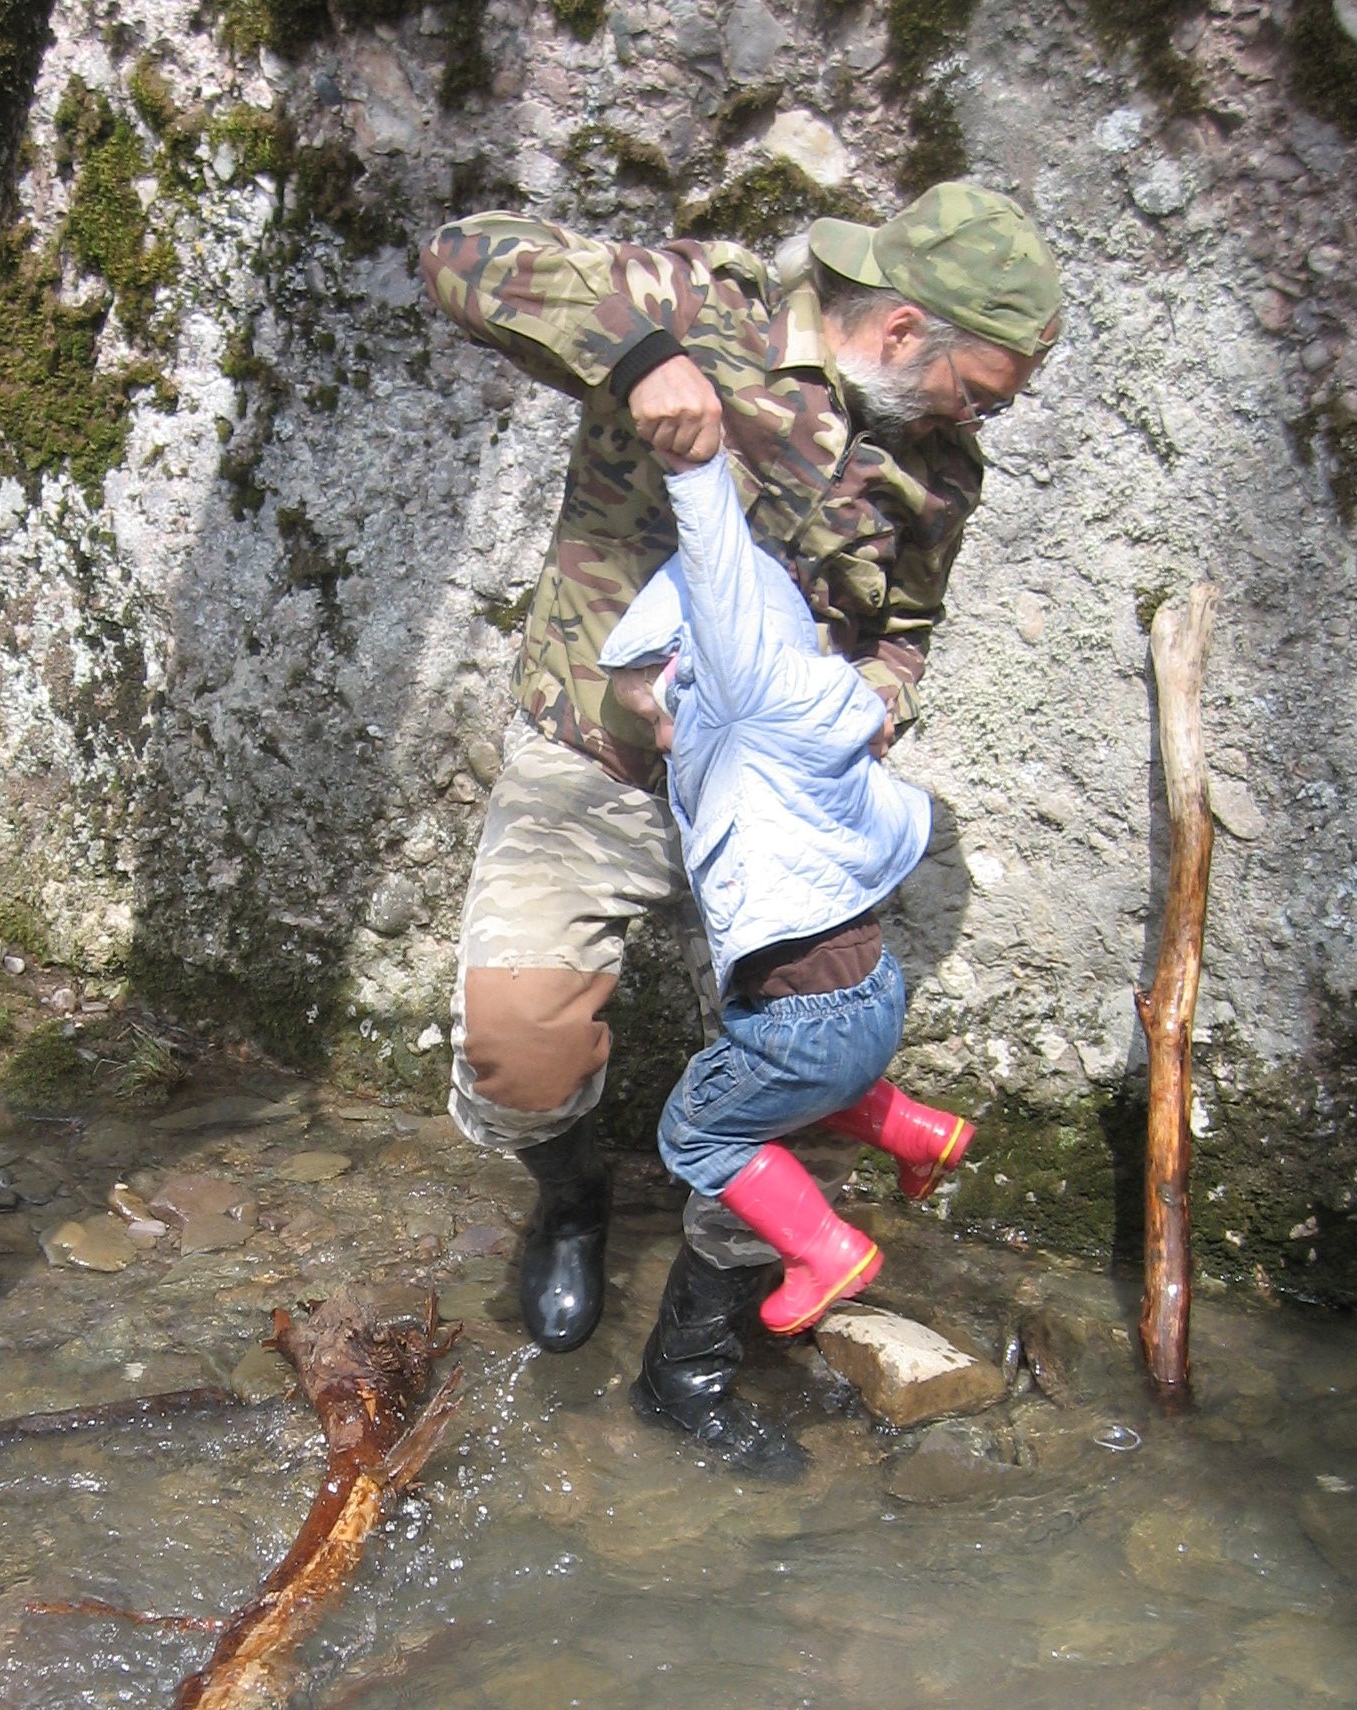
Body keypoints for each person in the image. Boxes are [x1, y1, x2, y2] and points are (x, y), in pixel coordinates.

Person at [421, 180, 1061, 1455]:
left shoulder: (939, 467)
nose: (981, 418)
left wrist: (868, 708)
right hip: (598, 765)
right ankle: (571, 1195)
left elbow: (906, 629)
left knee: (788, 1075)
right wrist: (641, 359)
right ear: (902, 330)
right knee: (518, 1050)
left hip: (775, 816)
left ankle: (695, 1360)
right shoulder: (707, 305)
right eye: (980, 390)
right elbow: (461, 255)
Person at [598, 443, 974, 1355]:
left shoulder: (742, 697)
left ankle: (824, 1251)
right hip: (872, 993)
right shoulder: (826, 711)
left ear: (694, 664)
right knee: (801, 1091)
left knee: (697, 1131)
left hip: (802, 1019)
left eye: (656, 712)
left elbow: (721, 576)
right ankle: (920, 1134)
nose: (662, 737)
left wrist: (694, 469)